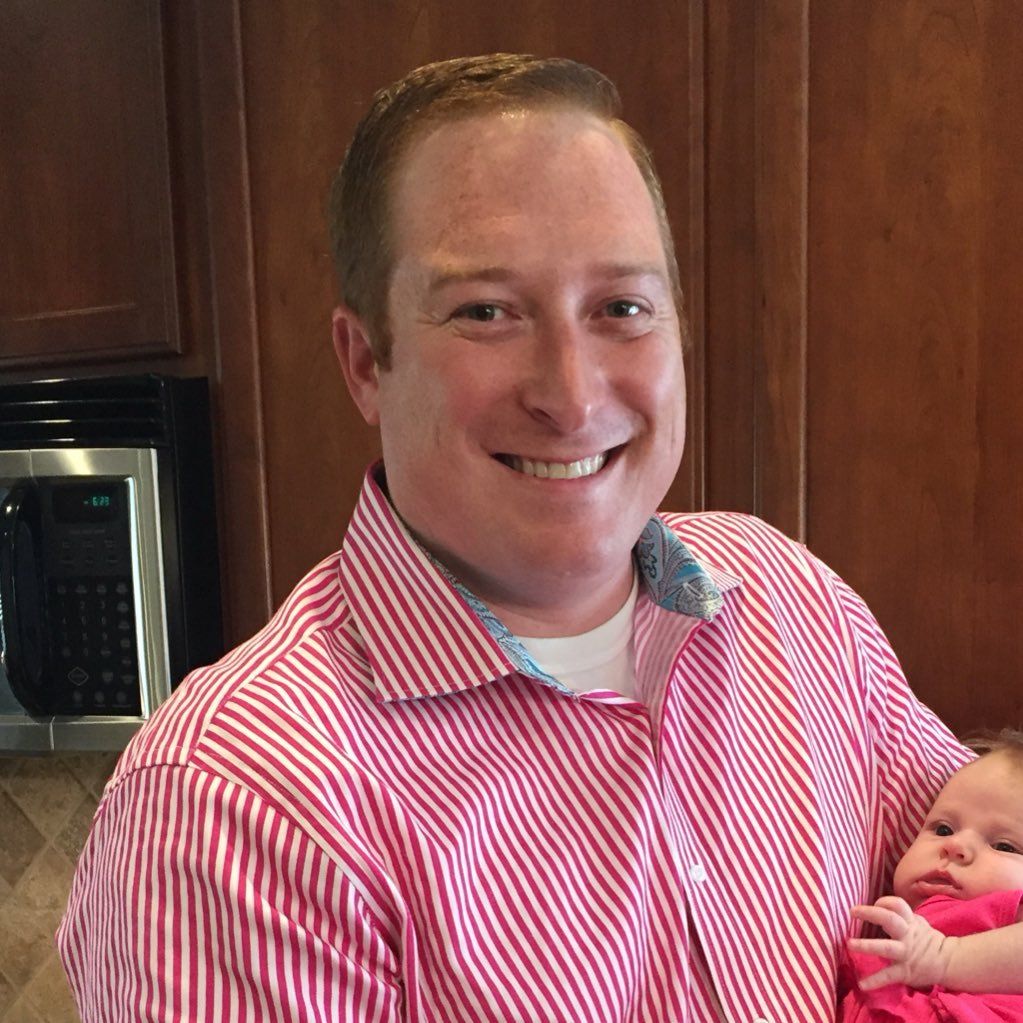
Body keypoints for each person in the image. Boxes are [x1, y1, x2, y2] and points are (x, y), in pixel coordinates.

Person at [55, 53, 1017, 1022]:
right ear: (364, 363)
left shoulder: (791, 603)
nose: (572, 394)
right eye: (486, 311)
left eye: (621, 308)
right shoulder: (235, 801)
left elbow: (997, 887)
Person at [840, 730, 1023, 1020]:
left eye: (1004, 846)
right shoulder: (898, 931)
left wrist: (944, 956)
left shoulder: (1011, 917)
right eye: (943, 829)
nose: (955, 846)